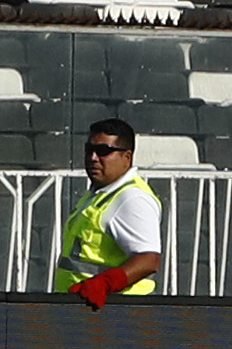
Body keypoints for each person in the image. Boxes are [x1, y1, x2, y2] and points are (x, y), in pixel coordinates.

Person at [54, 118, 164, 304]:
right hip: (88, 307)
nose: (93, 157)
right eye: (89, 149)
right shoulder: (99, 193)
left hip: (118, 310)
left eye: (103, 151)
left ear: (126, 157)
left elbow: (148, 260)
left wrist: (105, 283)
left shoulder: (132, 198)